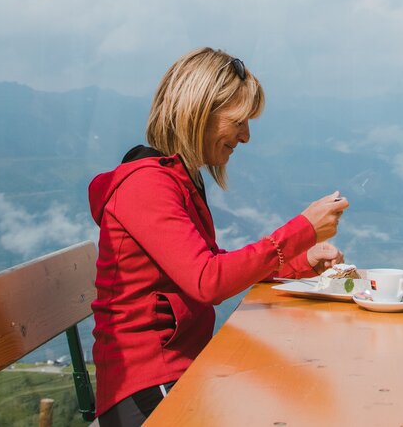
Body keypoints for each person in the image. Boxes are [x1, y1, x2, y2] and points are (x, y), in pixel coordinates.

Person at [88, 48, 349, 425]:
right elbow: (207, 280)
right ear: (199, 112)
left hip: (178, 373)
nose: (246, 137)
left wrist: (300, 262)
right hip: (148, 388)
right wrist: (302, 230)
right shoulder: (147, 184)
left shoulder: (178, 179)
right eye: (239, 121)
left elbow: (207, 264)